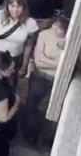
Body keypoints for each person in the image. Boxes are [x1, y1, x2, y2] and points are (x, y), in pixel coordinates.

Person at [22, 12, 66, 147]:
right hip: (40, 76)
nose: (59, 31)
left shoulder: (71, 39)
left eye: (63, 29)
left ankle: (48, 139)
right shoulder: (44, 35)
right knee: (31, 107)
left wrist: (50, 61)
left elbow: (69, 65)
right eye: (58, 27)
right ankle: (30, 134)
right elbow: (39, 61)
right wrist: (59, 63)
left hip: (59, 80)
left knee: (55, 111)